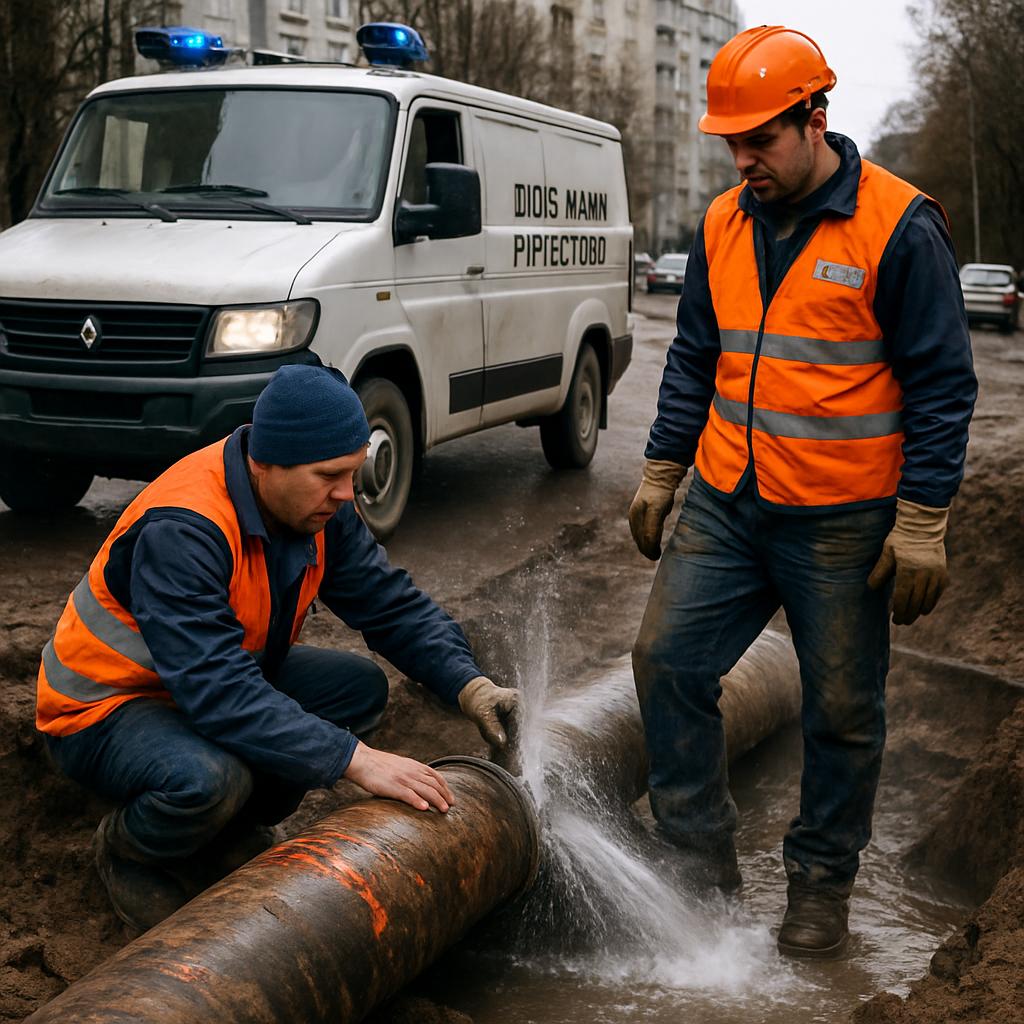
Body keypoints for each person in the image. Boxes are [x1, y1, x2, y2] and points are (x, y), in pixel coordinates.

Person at [628, 25, 976, 958]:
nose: (745, 163)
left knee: (844, 712)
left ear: (816, 118)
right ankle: (696, 869)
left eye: (761, 142)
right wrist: (664, 469)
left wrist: (923, 520)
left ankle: (821, 884)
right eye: (731, 145)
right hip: (727, 501)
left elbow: (944, 386)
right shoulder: (720, 224)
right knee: (666, 662)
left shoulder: (899, 227)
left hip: (842, 521)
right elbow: (696, 356)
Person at [37, 364, 518, 931]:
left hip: (200, 682)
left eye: (353, 472)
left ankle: (233, 828)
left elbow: (387, 602)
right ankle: (133, 850)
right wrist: (356, 760)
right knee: (209, 780)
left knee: (356, 689)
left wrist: (468, 683)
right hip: (104, 706)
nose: (347, 493)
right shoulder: (185, 529)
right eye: (329, 476)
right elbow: (218, 692)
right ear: (266, 463)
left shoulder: (315, 505)